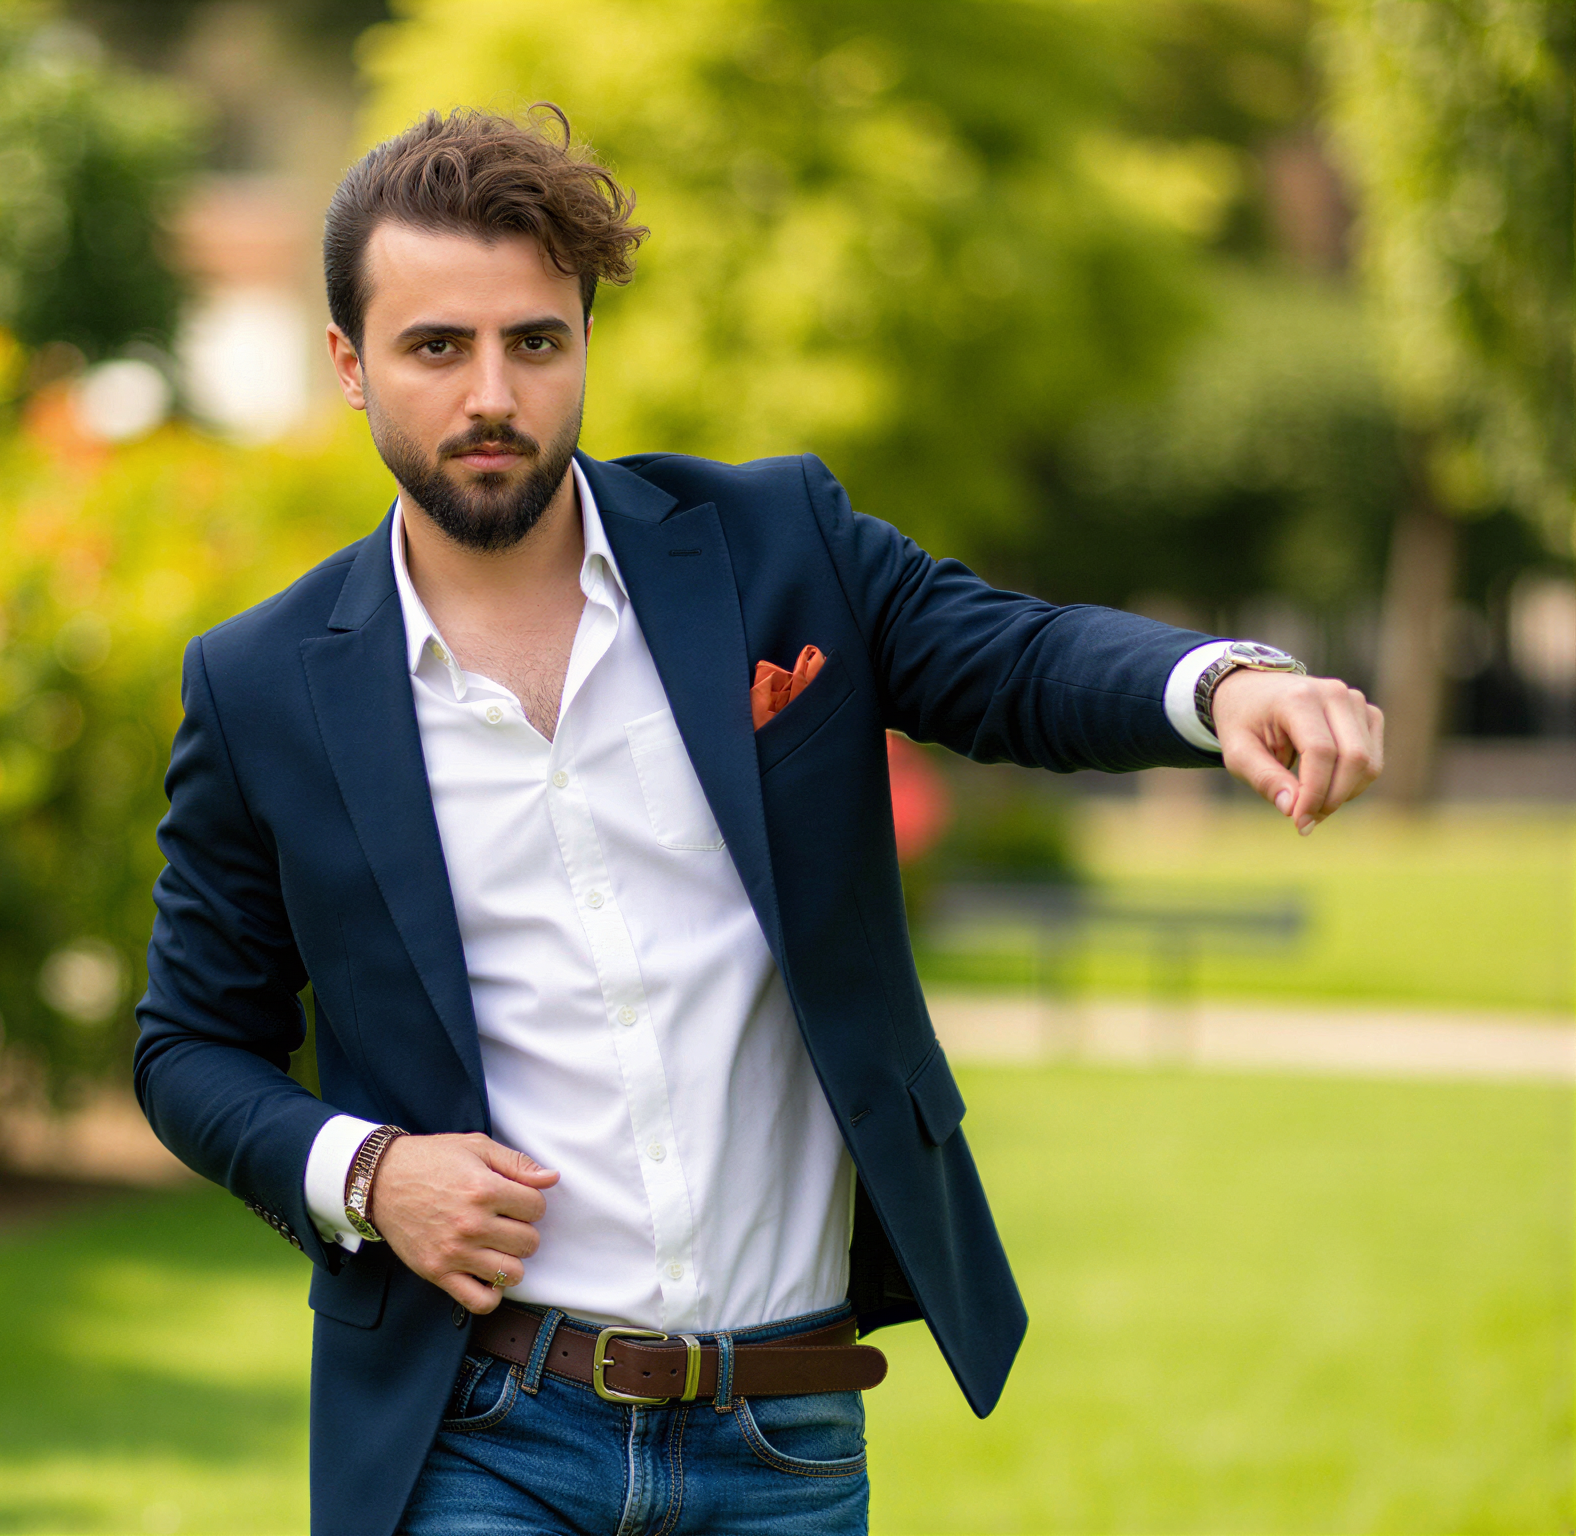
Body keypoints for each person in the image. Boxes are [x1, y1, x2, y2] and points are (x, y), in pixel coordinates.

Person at [133, 106, 1383, 1536]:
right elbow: (187, 1048)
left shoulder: (774, 549)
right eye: (437, 347)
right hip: (476, 1428)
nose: (494, 392)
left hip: (781, 1436)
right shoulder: (261, 687)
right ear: (349, 365)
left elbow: (1010, 656)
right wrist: (368, 1173)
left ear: (585, 345)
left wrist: (1218, 683)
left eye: (535, 342)